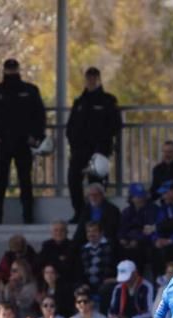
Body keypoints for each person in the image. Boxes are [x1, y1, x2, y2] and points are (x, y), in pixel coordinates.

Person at [0, 58, 47, 224]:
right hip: (2, 142)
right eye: (9, 69)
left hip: (24, 142)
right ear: (4, 70)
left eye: (13, 68)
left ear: (18, 69)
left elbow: (40, 116)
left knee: (25, 180)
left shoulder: (30, 90)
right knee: (0, 181)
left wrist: (35, 136)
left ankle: (28, 217)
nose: (11, 71)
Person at [65, 66, 122, 216]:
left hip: (99, 150)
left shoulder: (108, 100)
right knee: (73, 181)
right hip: (79, 150)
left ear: (99, 79)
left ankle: (97, 214)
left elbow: (115, 124)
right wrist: (73, 143)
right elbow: (70, 126)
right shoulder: (79, 102)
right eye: (88, 78)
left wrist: (102, 142)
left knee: (96, 184)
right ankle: (80, 213)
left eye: (94, 78)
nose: (91, 81)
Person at [72, 182, 121, 247]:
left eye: (96, 195)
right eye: (90, 195)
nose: (93, 197)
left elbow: (113, 229)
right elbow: (80, 230)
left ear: (102, 195)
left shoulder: (112, 209)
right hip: (88, 240)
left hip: (107, 241)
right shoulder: (85, 209)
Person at [118, 183, 154, 269]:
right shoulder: (127, 211)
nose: (140, 199)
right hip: (128, 242)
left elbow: (148, 230)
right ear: (132, 198)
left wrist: (137, 240)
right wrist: (122, 239)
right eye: (137, 197)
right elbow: (122, 228)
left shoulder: (152, 210)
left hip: (143, 243)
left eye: (142, 197)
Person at [80, 221, 118, 301]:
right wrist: (83, 283)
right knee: (80, 290)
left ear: (101, 232)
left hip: (107, 282)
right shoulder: (83, 249)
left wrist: (114, 278)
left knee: (105, 289)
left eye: (94, 231)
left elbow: (119, 264)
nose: (91, 234)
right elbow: (79, 269)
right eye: (89, 231)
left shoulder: (112, 246)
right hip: (88, 284)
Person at [39, 221, 80, 285]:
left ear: (67, 232)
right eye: (56, 230)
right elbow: (41, 263)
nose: (59, 233)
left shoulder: (73, 246)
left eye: (62, 230)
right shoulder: (46, 245)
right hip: (48, 282)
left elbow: (76, 268)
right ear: (52, 233)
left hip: (67, 282)